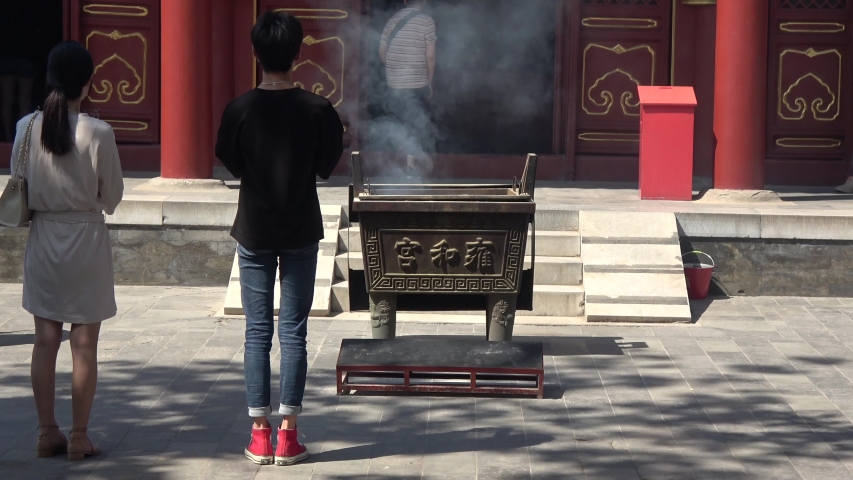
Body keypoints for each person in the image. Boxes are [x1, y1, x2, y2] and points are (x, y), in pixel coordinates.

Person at [215, 11, 344, 467]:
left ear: (255, 53)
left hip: (253, 229)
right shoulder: (318, 109)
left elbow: (230, 161)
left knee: (257, 333)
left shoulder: (240, 109)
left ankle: (259, 433)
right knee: (293, 332)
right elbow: (328, 163)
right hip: (301, 228)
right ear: (298, 53)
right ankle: (289, 435)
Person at [12, 41, 124, 461]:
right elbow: (111, 196)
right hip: (85, 240)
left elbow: (18, 179)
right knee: (84, 345)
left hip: (44, 237)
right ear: (88, 82)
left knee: (45, 341)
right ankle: (79, 436)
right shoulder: (98, 132)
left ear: (48, 78)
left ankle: (46, 432)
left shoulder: (26, 127)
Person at [379, 0, 437, 178]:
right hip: (416, 81)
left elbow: (382, 51)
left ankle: (406, 163)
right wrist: (429, 81)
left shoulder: (393, 20)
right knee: (416, 121)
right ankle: (413, 165)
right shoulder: (426, 21)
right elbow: (431, 55)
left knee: (402, 122)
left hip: (394, 82)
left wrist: (394, 69)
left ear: (405, 0)